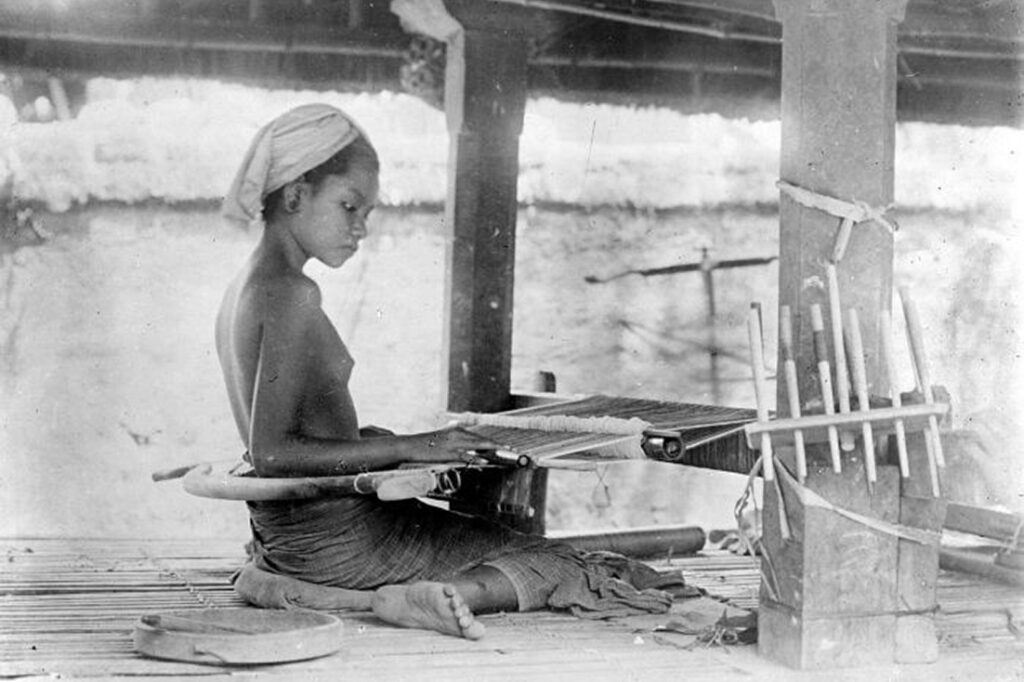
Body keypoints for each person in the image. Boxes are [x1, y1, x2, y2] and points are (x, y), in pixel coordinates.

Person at [216, 103, 683, 640]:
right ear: (295, 194)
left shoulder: (246, 289)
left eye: (366, 212)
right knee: (559, 562)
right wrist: (414, 444)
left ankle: (419, 586)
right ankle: (441, 598)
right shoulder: (293, 293)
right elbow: (274, 454)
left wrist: (391, 443)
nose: (360, 228)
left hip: (294, 533)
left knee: (495, 537)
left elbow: (283, 441)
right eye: (349, 207)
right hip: (336, 541)